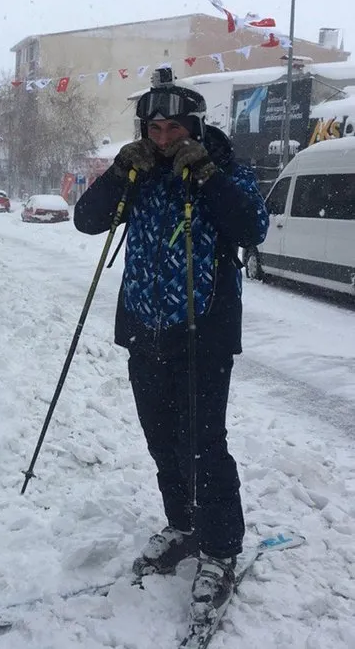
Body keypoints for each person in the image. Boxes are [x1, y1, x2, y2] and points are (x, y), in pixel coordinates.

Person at [74, 70, 269, 620]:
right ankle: (183, 525)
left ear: (194, 127)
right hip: (144, 328)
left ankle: (220, 549)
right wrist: (117, 172)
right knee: (161, 436)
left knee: (203, 442)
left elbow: (253, 227)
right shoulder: (137, 173)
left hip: (202, 332)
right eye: (153, 128)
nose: (163, 138)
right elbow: (87, 221)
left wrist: (207, 175)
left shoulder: (225, 168)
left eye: (173, 127)